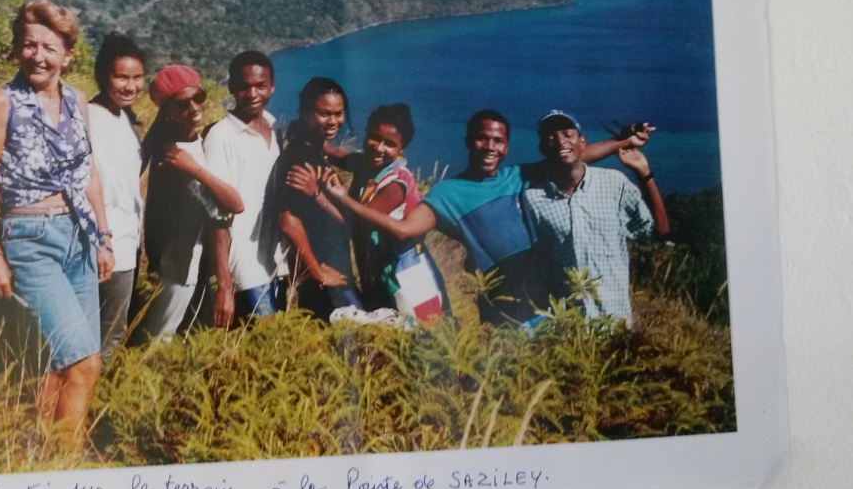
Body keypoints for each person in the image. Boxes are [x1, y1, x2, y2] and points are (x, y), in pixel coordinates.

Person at [315, 109, 653, 325]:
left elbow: (573, 156)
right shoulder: (447, 194)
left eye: (497, 141)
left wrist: (623, 140)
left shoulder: (518, 176)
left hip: (550, 300)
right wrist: (342, 199)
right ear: (468, 141)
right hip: (502, 308)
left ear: (506, 147)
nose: (489, 147)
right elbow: (404, 229)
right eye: (481, 138)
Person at [0, 0, 114, 442]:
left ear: (68, 55)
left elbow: (87, 171)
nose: (38, 56)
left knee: (56, 364)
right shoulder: (1, 103)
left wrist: (103, 236)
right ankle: (68, 458)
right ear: (17, 48)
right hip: (29, 239)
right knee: (85, 361)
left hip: (79, 237)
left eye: (50, 48)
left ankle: (41, 452)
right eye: (30, 45)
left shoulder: (76, 100)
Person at [288, 103, 450, 322]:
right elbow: (335, 153)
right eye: (375, 138)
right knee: (381, 326)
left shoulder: (396, 183)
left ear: (401, 149)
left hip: (404, 275)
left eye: (390, 144)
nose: (379, 148)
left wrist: (318, 193)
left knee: (412, 328)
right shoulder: (365, 163)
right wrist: (308, 131)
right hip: (377, 270)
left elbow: (354, 223)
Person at [521, 110, 669, 322]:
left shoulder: (613, 184)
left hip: (615, 321)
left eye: (568, 134)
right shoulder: (533, 199)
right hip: (568, 326)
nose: (561, 141)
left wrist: (644, 172)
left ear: (583, 142)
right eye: (551, 137)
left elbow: (658, 230)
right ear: (543, 148)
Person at [137, 65, 244, 340]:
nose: (195, 107)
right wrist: (194, 168)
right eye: (183, 104)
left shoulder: (195, 142)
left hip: (195, 263)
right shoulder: (173, 154)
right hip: (180, 262)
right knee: (161, 336)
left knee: (191, 333)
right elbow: (235, 204)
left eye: (199, 97)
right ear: (168, 112)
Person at [203, 51, 288, 328]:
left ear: (272, 86)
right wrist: (225, 284)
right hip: (244, 267)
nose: (252, 94)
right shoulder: (221, 136)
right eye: (244, 86)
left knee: (277, 342)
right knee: (263, 337)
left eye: (260, 86)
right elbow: (216, 215)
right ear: (231, 87)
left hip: (276, 261)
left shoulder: (276, 130)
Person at [275, 77, 361, 321]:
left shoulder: (313, 149)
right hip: (325, 274)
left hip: (335, 267)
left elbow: (334, 219)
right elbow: (288, 221)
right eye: (324, 114)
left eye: (338, 113)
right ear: (307, 114)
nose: (333, 121)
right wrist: (317, 273)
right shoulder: (300, 159)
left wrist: (321, 195)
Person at [86, 32, 145, 360]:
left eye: (137, 78)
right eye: (121, 77)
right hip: (108, 244)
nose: (131, 86)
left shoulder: (122, 117)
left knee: (107, 330)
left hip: (126, 240)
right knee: (107, 334)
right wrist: (101, 241)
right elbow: (87, 185)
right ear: (103, 76)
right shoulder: (91, 118)